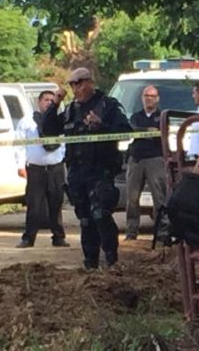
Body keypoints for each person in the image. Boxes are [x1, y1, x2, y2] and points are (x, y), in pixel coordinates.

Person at [40, 67, 131, 270]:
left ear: (90, 83)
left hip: (100, 171)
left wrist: (101, 126)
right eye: (72, 84)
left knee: (101, 215)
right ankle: (90, 262)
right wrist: (55, 103)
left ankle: (111, 259)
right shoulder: (71, 110)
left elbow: (126, 132)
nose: (75, 88)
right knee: (85, 219)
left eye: (79, 83)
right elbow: (48, 130)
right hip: (77, 173)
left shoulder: (107, 105)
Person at [15, 90, 69, 248]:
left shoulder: (60, 121)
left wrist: (61, 160)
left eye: (52, 100)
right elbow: (19, 145)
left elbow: (65, 142)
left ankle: (58, 237)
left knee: (56, 203)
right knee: (34, 205)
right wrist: (20, 165)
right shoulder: (27, 121)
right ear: (39, 102)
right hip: (35, 169)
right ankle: (28, 238)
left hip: (55, 168)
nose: (49, 103)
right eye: (46, 100)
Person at [124, 86, 167, 240]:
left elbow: (161, 133)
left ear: (157, 98)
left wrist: (149, 132)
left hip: (155, 159)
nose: (149, 98)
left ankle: (161, 232)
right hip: (136, 159)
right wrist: (148, 131)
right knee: (132, 197)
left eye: (152, 96)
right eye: (146, 95)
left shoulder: (162, 116)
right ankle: (131, 232)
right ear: (142, 98)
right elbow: (133, 130)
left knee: (159, 197)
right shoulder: (136, 116)